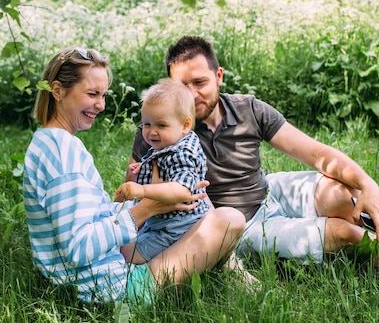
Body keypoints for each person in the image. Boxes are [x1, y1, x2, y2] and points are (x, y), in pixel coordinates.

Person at [128, 35, 379, 279]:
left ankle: (359, 251)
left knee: (343, 194)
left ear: (218, 76)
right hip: (241, 222)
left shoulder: (249, 109)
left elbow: (315, 153)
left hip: (269, 191)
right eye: (182, 86)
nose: (191, 94)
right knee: (345, 232)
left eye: (200, 82)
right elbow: (141, 203)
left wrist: (367, 184)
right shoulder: (158, 132)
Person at [23, 46, 245, 307]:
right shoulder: (62, 152)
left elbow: (81, 223)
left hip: (90, 278)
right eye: (92, 94)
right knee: (229, 219)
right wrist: (148, 208)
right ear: (58, 91)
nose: (101, 105)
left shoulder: (48, 142)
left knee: (201, 213)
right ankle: (234, 273)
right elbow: (78, 248)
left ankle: (234, 272)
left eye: (103, 95)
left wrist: (124, 204)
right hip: (112, 288)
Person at [115, 78, 210, 264]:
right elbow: (169, 171)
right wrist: (145, 169)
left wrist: (142, 190)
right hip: (164, 222)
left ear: (185, 125)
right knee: (122, 242)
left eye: (161, 125)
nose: (151, 132)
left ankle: (153, 274)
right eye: (147, 124)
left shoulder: (182, 152)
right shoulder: (171, 144)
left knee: (125, 254)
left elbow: (181, 189)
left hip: (176, 228)